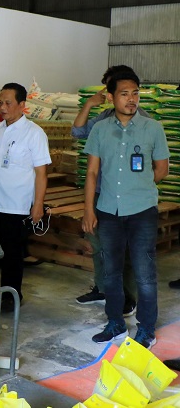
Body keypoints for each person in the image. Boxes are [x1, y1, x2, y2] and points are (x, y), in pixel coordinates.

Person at [83, 70, 169, 350]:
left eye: (135, 93)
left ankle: (146, 329)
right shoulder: (100, 129)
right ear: (110, 97)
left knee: (145, 272)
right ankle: (115, 324)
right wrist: (88, 210)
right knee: (111, 272)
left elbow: (162, 169)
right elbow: (92, 173)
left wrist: (139, 187)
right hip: (108, 210)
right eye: (124, 94)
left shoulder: (152, 128)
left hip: (142, 210)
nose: (132, 99)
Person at [72, 65, 147, 317]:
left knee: (122, 248)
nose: (108, 92)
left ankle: (127, 297)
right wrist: (89, 104)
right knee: (97, 241)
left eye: (130, 92)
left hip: (125, 194)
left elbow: (157, 165)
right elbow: (78, 131)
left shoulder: (142, 119)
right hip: (101, 190)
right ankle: (103, 288)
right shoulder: (104, 117)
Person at [0, 83, 51, 313]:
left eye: (8, 103)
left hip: (15, 204)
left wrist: (38, 204)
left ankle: (12, 295)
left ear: (22, 105)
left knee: (13, 253)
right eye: (0, 102)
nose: (2, 107)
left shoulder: (34, 134)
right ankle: (4, 291)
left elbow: (41, 173)